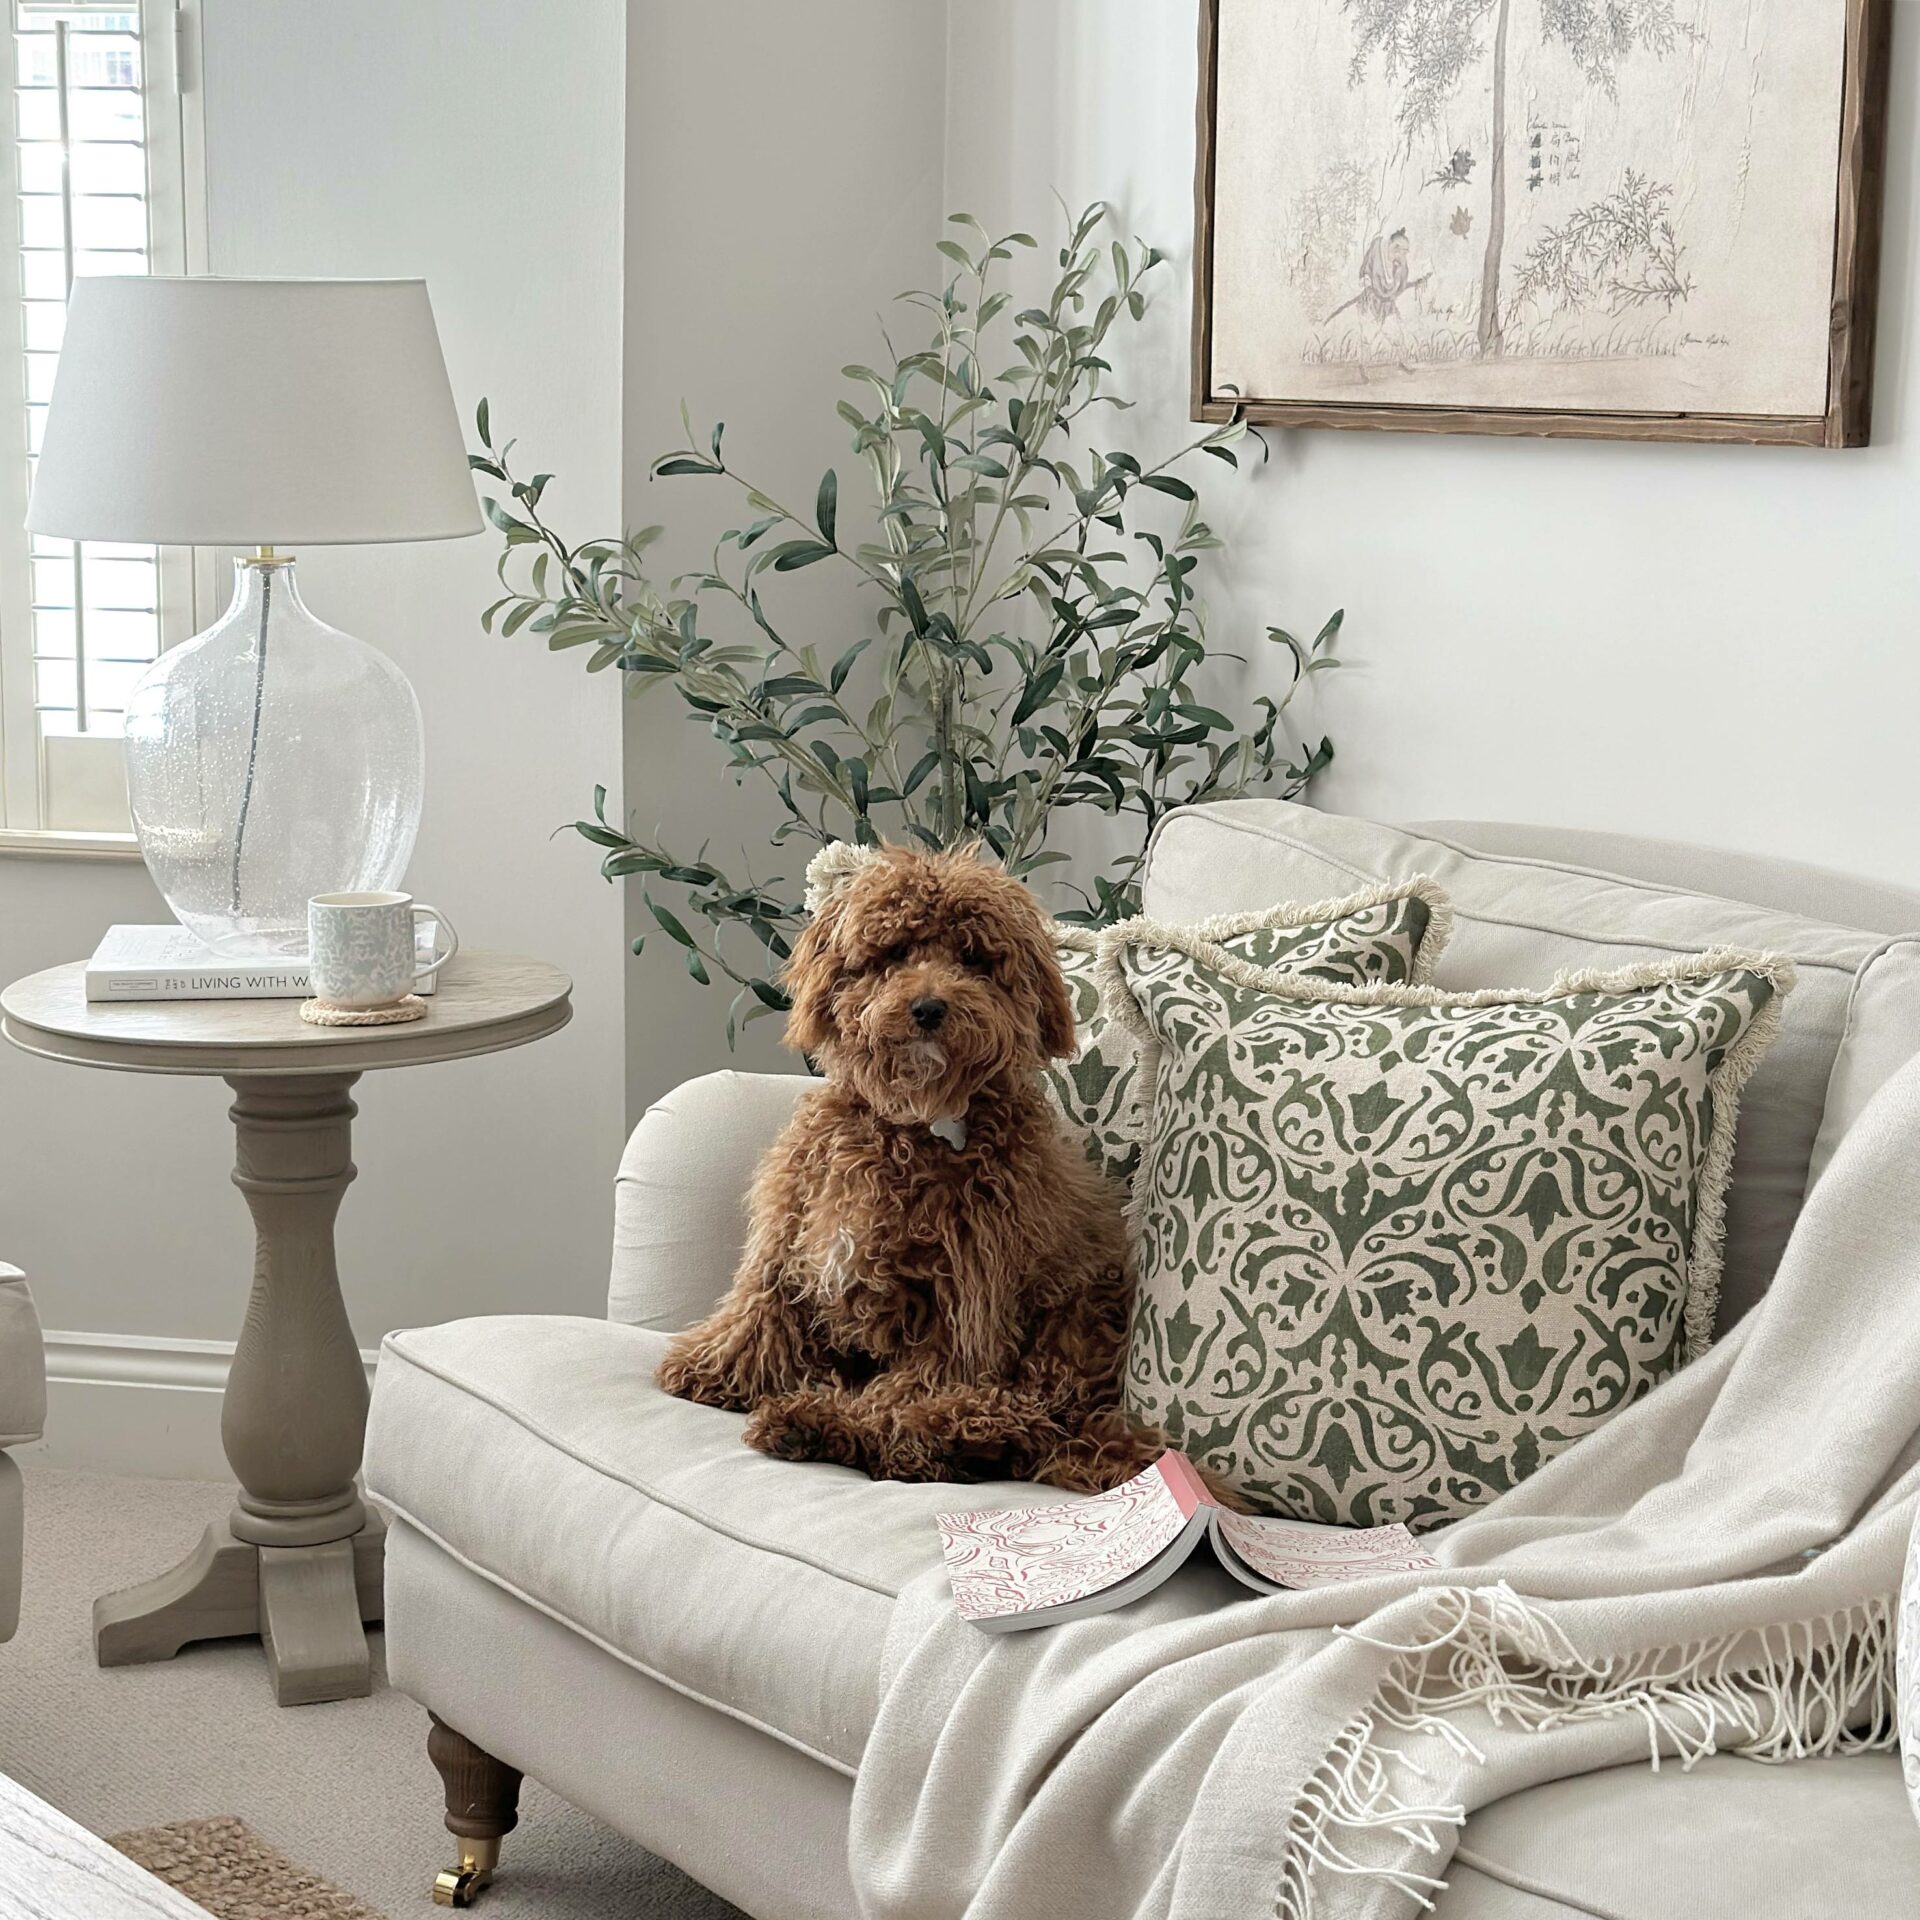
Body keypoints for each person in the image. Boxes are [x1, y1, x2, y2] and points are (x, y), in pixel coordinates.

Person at [1355, 229, 1417, 374]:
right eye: (1400, 250)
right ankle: (1363, 367)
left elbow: (1401, 283)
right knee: (1367, 336)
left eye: (1405, 252)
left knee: (1396, 335)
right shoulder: (1377, 249)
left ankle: (1403, 362)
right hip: (1370, 303)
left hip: (1387, 306)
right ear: (1393, 246)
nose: (1402, 255)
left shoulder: (1401, 263)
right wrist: (1367, 283)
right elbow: (1365, 269)